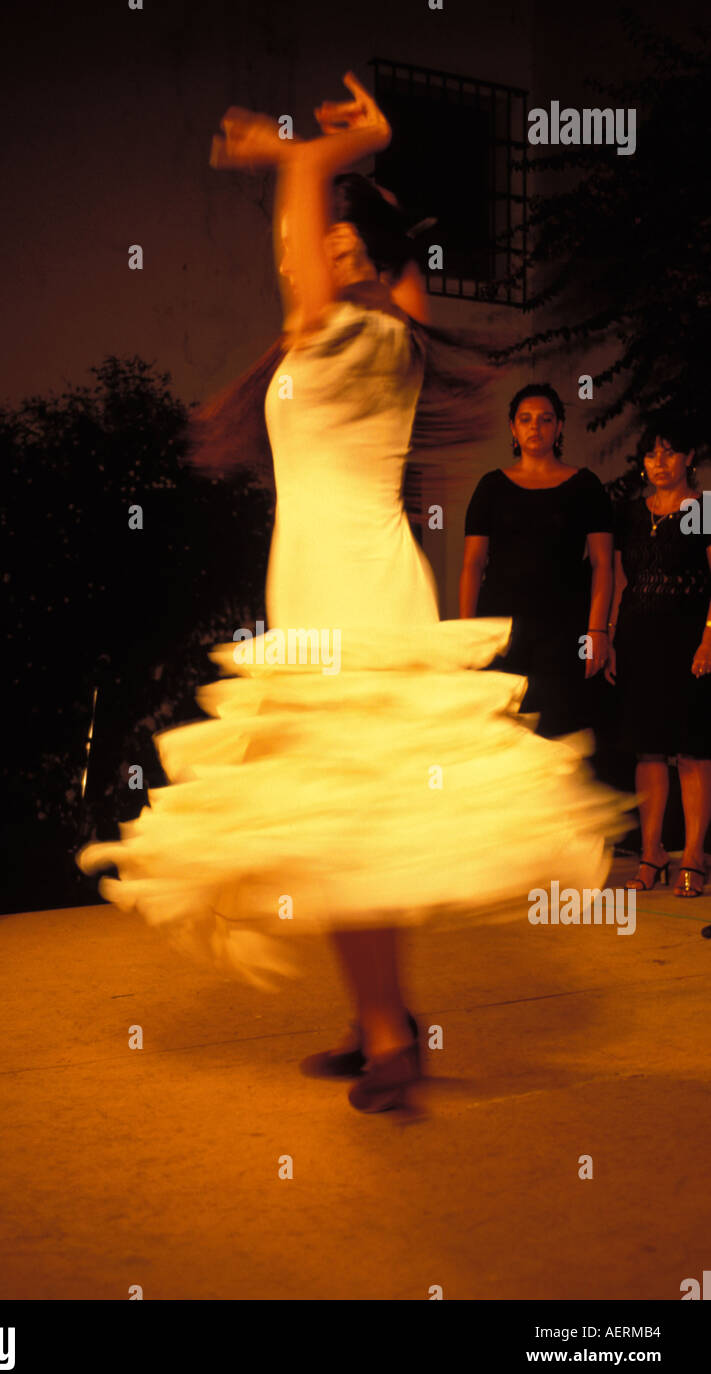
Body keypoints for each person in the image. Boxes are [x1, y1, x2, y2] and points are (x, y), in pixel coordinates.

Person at [78, 74, 630, 1115]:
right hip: (326, 592)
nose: (308, 260)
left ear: (371, 275)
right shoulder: (373, 336)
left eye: (336, 253)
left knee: (347, 824)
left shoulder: (355, 338)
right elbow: (347, 250)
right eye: (314, 251)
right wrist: (360, 164)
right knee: (341, 823)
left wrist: (309, 155)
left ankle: (388, 1034)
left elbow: (317, 239)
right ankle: (379, 1018)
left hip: (355, 604)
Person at [459, 384, 614, 738]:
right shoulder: (491, 487)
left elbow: (602, 564)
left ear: (559, 427)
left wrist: (597, 630)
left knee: (558, 728)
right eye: (525, 419)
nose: (535, 427)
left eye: (545, 419)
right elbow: (472, 564)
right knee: (499, 731)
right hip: (501, 627)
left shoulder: (585, 486)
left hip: (565, 628)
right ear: (512, 428)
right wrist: (465, 631)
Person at [606, 420, 711, 897]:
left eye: (670, 452)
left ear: (689, 457)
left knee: (691, 750)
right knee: (647, 748)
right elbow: (622, 580)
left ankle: (692, 855)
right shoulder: (632, 513)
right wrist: (609, 635)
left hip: (689, 642)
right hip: (637, 639)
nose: (660, 463)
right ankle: (652, 853)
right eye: (651, 454)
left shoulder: (703, 510)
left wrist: (709, 639)